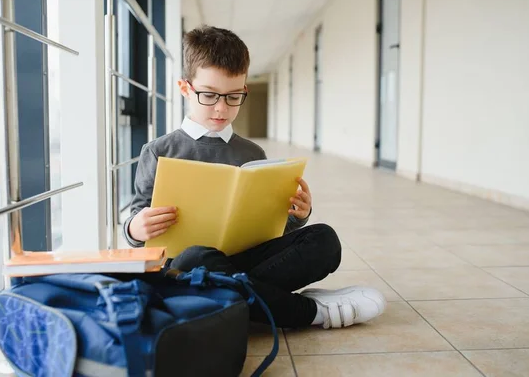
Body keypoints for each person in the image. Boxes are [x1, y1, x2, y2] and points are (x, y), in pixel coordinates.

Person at [124, 25, 386, 329]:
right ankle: (312, 312)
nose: (221, 108)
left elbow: (271, 230)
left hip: (245, 260)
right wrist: (135, 227)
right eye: (209, 95)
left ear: (243, 91)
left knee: (324, 239)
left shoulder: (252, 154)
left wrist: (296, 216)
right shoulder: (158, 151)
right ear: (186, 89)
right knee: (198, 258)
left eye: (233, 96)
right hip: (189, 268)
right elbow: (134, 227)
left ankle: (233, 298)